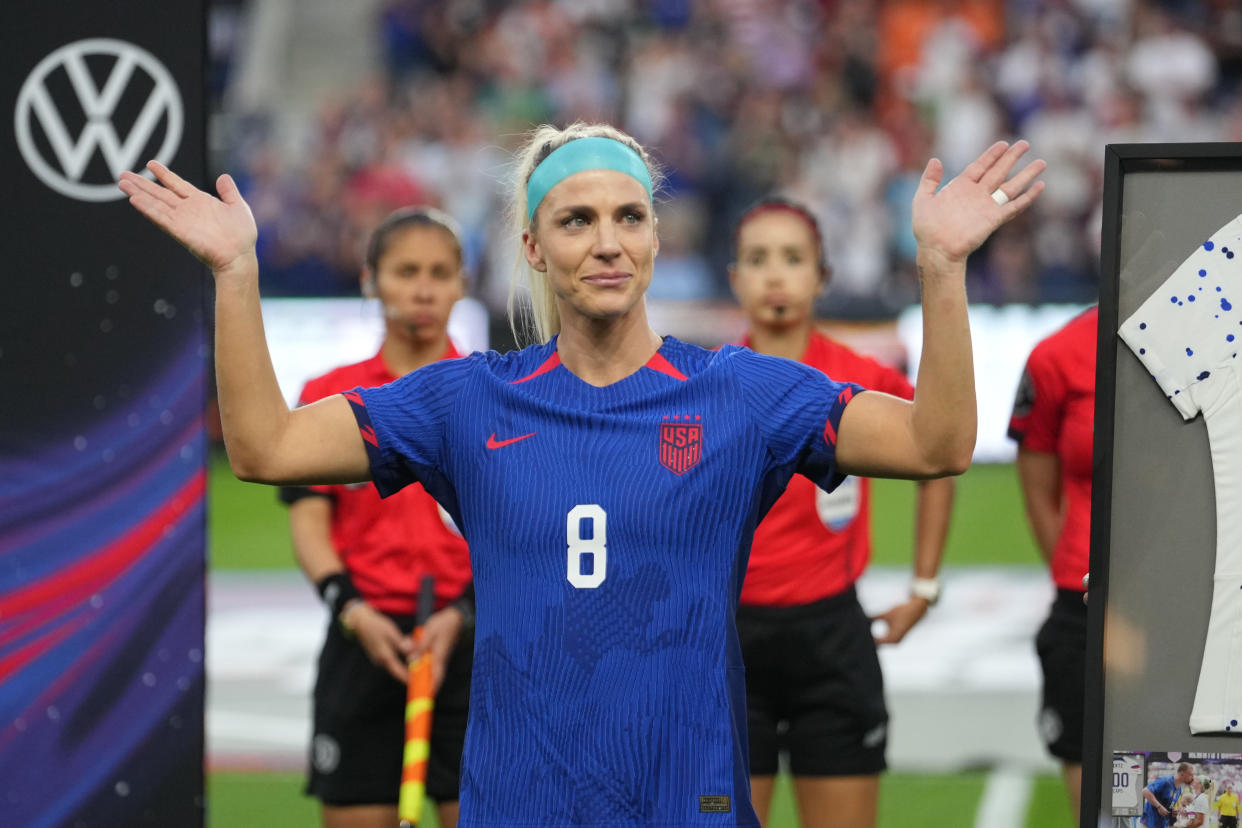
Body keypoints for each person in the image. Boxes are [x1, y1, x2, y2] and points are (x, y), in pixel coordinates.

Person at [118, 123, 1044, 826]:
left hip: (692, 803)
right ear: (533, 247)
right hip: (517, 803)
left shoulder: (743, 394)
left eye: (629, 217)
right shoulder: (464, 402)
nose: (607, 241)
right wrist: (236, 272)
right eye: (576, 220)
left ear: (654, 237)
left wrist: (941, 267)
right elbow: (265, 450)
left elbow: (937, 446)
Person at [728, 197, 955, 828]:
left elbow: (938, 459)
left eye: (793, 258)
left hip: (832, 640)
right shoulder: (703, 383)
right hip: (726, 644)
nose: (775, 275)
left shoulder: (864, 377)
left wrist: (924, 586)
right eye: (758, 259)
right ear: (734, 279)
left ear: (822, 276)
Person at [280, 207, 475, 828]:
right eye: (406, 271)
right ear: (370, 280)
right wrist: (352, 611)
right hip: (364, 643)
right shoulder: (331, 395)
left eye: (440, 272)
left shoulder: (495, 391)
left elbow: (522, 532)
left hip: (470, 645)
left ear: (461, 285)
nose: (423, 289)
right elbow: (310, 523)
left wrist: (463, 614)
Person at [1007, 304, 1097, 824]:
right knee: (1105, 807)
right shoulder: (1057, 355)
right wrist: (1073, 571)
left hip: (1206, 605)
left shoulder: (1222, 340)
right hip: (1086, 606)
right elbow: (1038, 489)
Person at [1142, 762, 1194, 828]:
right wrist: (1159, 807)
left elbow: (1167, 805)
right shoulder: (1166, 781)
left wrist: (1172, 812)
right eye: (1190, 775)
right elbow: (1145, 791)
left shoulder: (1179, 789)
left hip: (1162, 824)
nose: (1192, 778)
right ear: (1182, 773)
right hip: (1150, 823)